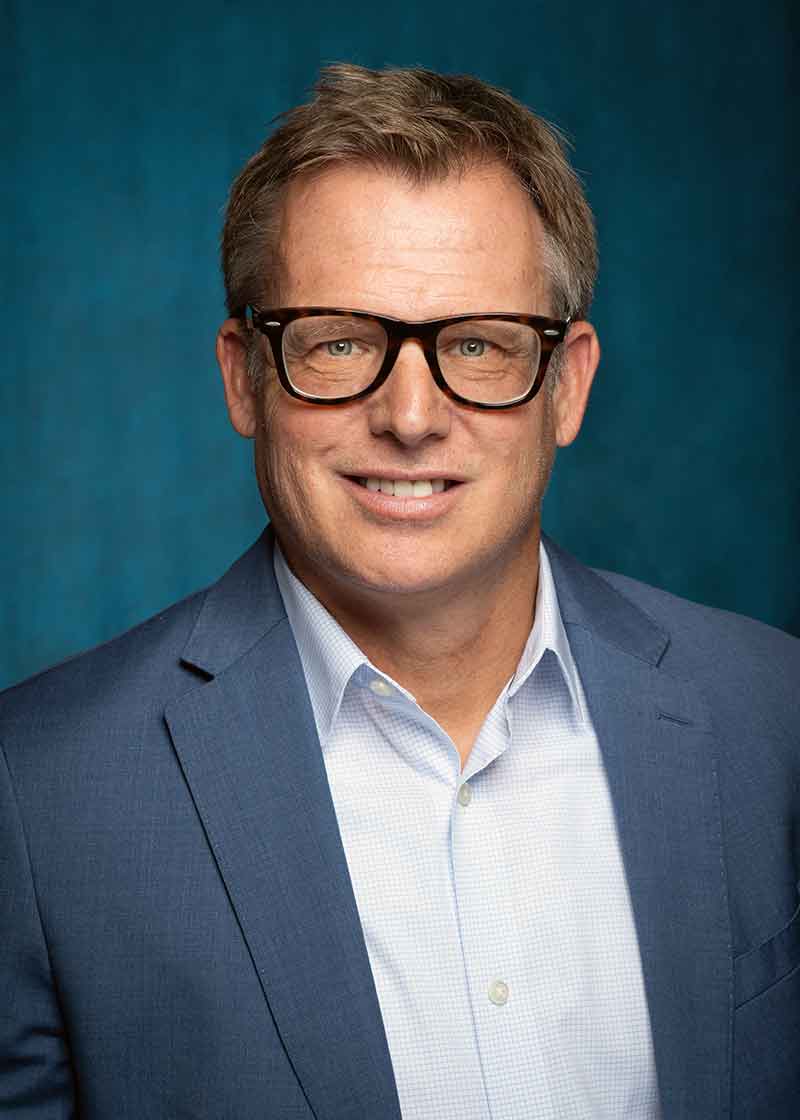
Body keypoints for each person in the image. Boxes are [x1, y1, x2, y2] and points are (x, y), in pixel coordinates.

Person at [1, 63, 797, 1120]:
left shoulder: (773, 711)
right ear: (244, 377)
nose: (411, 416)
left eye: (476, 343)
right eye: (339, 343)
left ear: (566, 384)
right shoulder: (37, 794)